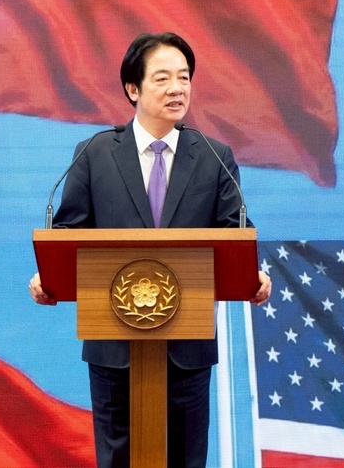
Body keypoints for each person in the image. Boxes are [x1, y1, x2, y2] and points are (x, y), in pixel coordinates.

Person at [29, 31, 271, 468]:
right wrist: (47, 278)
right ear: (133, 89)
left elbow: (237, 234)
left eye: (184, 77)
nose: (177, 88)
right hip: (114, 348)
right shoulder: (95, 153)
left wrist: (256, 275)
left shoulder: (214, 157)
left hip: (187, 348)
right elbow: (67, 234)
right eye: (163, 78)